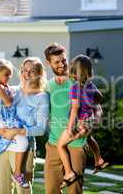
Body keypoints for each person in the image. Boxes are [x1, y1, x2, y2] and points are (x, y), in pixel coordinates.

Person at [44, 43, 106, 194]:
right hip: (54, 144)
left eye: (64, 60)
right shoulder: (48, 86)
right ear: (48, 63)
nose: (62, 64)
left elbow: (98, 107)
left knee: (74, 191)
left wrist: (94, 121)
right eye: (57, 62)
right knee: (51, 189)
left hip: (77, 145)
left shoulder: (79, 81)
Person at [0, 57, 49, 194]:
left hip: (24, 150)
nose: (27, 74)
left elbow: (41, 129)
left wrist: (17, 131)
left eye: (32, 71)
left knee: (23, 189)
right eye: (24, 70)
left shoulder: (42, 97)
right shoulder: (12, 91)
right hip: (3, 146)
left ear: (39, 74)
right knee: (3, 189)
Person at [57, 55, 108, 189]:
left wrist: (70, 127)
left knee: (60, 145)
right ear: (89, 71)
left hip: (80, 123)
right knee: (90, 138)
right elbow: (99, 98)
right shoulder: (91, 86)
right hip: (89, 121)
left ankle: (68, 173)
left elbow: (75, 109)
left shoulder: (75, 88)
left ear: (74, 71)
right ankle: (99, 159)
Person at [0, 59, 30, 188]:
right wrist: (20, 94)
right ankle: (17, 172)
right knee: (23, 142)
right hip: (1, 122)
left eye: (10, 74)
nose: (9, 77)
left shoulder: (4, 87)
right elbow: (9, 102)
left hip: (3, 120)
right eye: (6, 74)